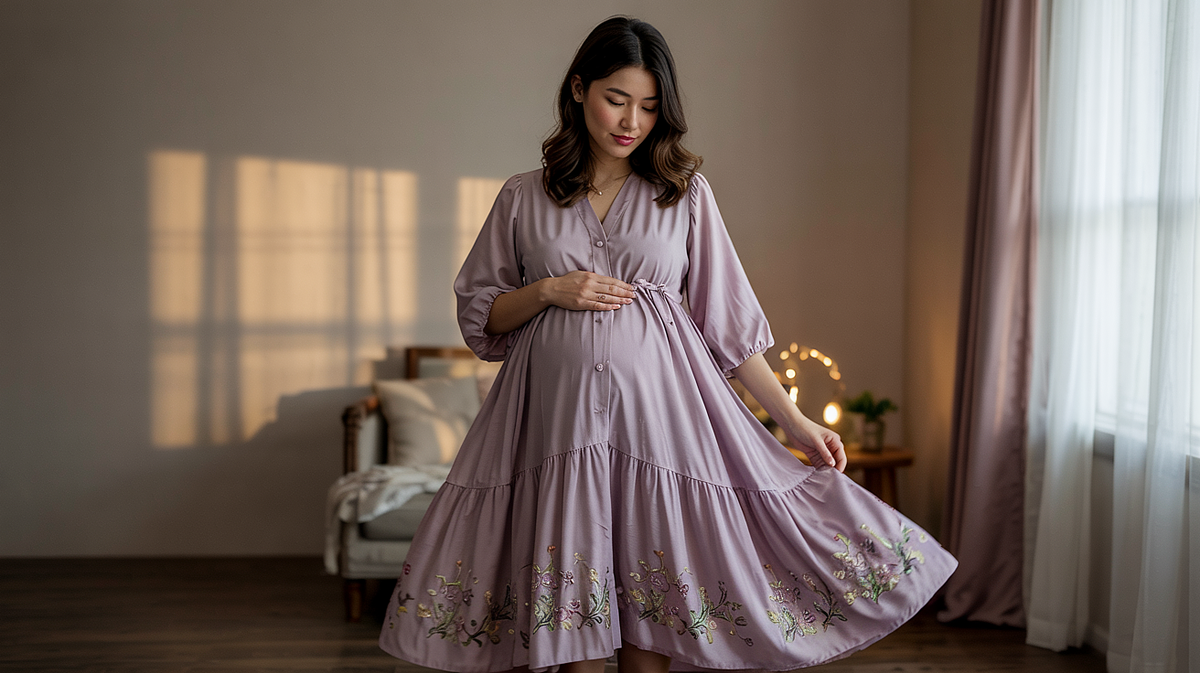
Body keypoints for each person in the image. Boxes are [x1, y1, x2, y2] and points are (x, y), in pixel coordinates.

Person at [379, 15, 956, 673]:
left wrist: (796, 422)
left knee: (651, 625)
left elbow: (729, 329)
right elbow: (482, 314)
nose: (632, 121)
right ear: (578, 90)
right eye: (616, 99)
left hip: (659, 430)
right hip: (556, 429)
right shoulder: (522, 196)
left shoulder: (684, 195)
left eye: (650, 106)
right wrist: (549, 290)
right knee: (570, 633)